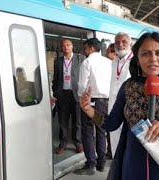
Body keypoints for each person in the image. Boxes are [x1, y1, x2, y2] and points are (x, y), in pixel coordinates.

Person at [79, 32, 159, 179]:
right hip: (132, 167)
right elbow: (110, 124)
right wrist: (89, 110)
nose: (153, 59)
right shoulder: (128, 87)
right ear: (137, 59)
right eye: (145, 54)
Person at [76, 38, 112, 175]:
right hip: (105, 102)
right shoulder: (109, 62)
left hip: (90, 102)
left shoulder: (87, 62)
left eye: (85, 48)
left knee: (88, 133)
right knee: (101, 132)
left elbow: (82, 86)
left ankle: (91, 164)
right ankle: (101, 163)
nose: (84, 51)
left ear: (91, 48)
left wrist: (81, 98)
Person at [52, 39, 85, 155]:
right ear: (62, 48)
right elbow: (55, 79)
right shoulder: (58, 61)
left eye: (68, 45)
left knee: (77, 121)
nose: (66, 47)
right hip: (63, 95)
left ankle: (78, 143)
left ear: (72, 47)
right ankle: (63, 144)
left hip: (76, 94)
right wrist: (55, 92)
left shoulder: (80, 59)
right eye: (64, 45)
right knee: (62, 121)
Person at [108, 32, 133, 159]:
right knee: (114, 137)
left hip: (129, 106)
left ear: (130, 43)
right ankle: (116, 165)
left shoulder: (135, 61)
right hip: (113, 104)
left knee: (127, 139)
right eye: (117, 42)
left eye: (124, 42)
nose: (120, 44)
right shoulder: (114, 61)